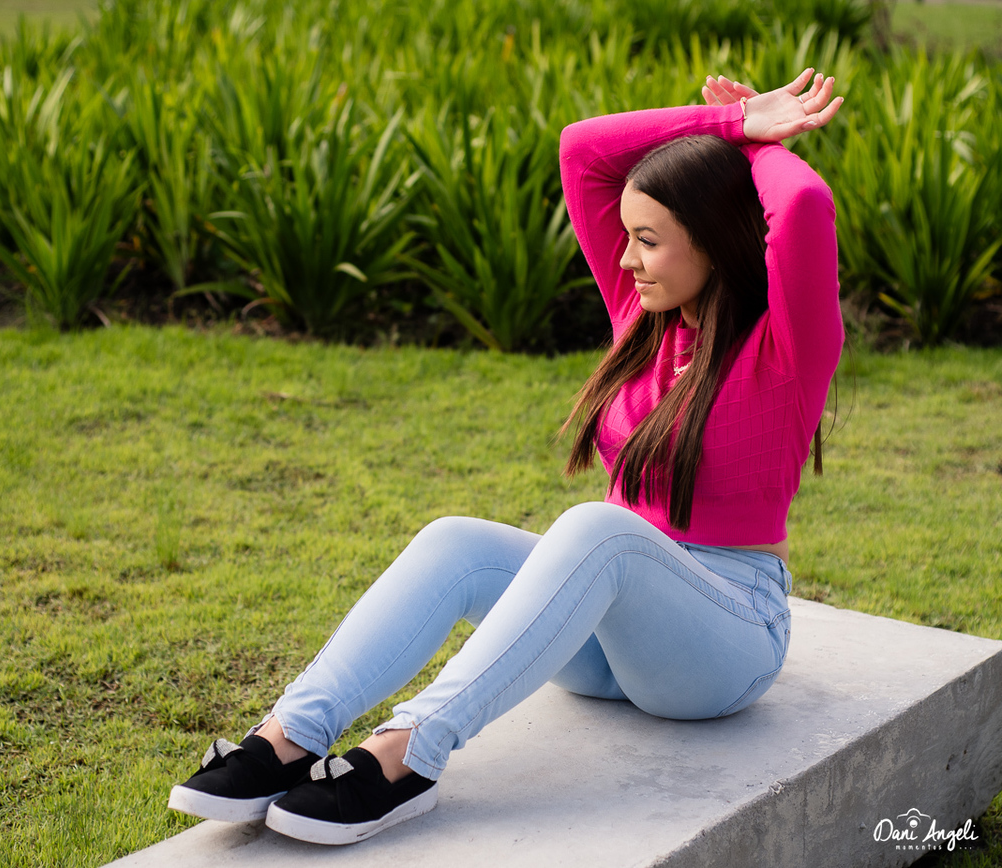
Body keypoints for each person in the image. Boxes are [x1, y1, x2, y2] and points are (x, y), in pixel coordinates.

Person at [167, 69, 845, 846]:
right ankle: (287, 737)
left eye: (649, 241)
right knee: (455, 540)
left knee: (598, 528)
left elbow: (803, 203)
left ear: (716, 242)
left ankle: (408, 754)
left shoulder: (787, 349)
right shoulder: (643, 318)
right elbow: (582, 150)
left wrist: (755, 141)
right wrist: (726, 120)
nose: (627, 259)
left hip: (723, 643)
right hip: (611, 644)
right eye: (627, 236)